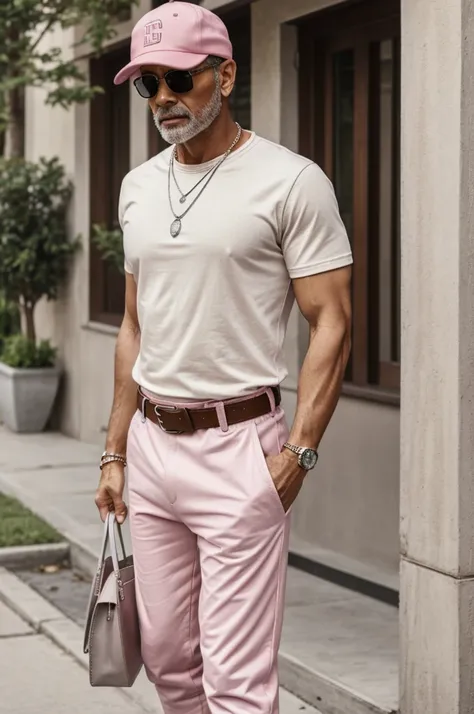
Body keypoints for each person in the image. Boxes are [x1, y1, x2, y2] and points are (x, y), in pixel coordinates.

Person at [95, 2, 352, 713]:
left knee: (236, 683)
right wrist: (114, 452)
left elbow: (331, 320)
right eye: (149, 84)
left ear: (226, 73)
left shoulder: (291, 181)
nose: (164, 99)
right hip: (151, 452)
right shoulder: (138, 187)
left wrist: (298, 452)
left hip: (241, 450)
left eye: (180, 78)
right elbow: (134, 325)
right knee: (170, 661)